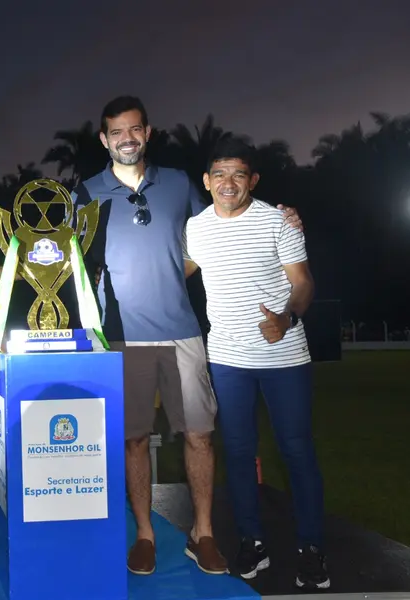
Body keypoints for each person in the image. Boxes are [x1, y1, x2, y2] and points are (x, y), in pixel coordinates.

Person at [72, 95, 303, 576]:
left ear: (148, 132)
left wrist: (284, 218)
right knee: (134, 438)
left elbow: (225, 218)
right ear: (104, 139)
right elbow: (64, 259)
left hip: (183, 332)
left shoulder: (178, 184)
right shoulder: (85, 193)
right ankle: (145, 535)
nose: (127, 139)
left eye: (135, 129)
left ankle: (203, 534)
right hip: (120, 336)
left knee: (199, 436)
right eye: (116, 132)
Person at [183, 137, 329, 589]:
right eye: (220, 174)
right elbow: (168, 272)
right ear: (206, 182)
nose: (229, 183)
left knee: (296, 450)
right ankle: (253, 542)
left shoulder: (278, 222)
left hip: (284, 357)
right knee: (240, 453)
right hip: (227, 359)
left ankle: (311, 548)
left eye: (239, 174)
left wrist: (286, 317)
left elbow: (303, 283)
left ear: (253, 180)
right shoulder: (195, 228)